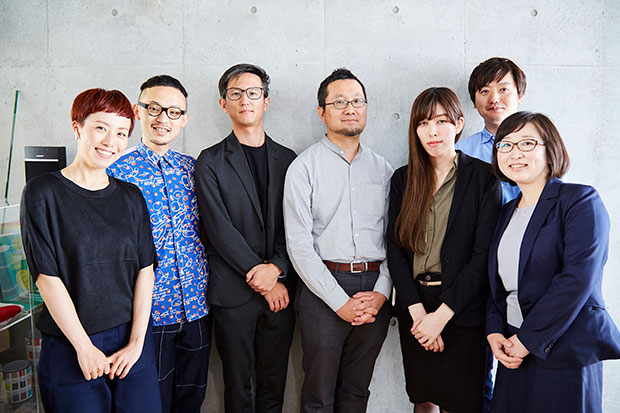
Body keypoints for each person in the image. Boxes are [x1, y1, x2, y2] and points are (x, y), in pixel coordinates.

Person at [20, 88, 161, 412]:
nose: (111, 141)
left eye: (121, 133)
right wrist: (83, 347)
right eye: (101, 127)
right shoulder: (43, 193)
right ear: (77, 127)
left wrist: (137, 343)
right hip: (71, 345)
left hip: (132, 344)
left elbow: (145, 269)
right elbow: (46, 277)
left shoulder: (131, 196)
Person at [486, 111, 620, 412]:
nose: (514, 153)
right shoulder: (505, 212)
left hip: (564, 352)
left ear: (551, 150)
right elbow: (496, 285)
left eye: (526, 143)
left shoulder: (579, 200)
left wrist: (527, 340)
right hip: (511, 351)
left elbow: (577, 279)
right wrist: (494, 332)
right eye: (505, 145)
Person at [284, 68, 393, 412]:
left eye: (357, 101)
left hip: (374, 288)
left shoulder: (383, 169)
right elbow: (299, 245)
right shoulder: (303, 167)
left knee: (357, 391)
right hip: (322, 288)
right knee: (318, 395)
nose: (350, 109)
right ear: (322, 112)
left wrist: (381, 292)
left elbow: (396, 238)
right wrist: (338, 302)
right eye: (340, 102)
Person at [387, 87, 502, 413]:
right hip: (415, 307)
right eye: (423, 123)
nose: (432, 131)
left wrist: (440, 317)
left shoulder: (484, 178)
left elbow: (483, 255)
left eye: (441, 121)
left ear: (459, 124)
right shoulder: (403, 179)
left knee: (460, 402)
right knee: (423, 399)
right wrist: (419, 315)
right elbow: (395, 249)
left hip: (462, 310)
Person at [195, 63, 296, 413]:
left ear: (265, 101)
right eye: (236, 94)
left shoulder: (288, 159)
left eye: (253, 93)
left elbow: (296, 225)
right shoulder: (210, 161)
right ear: (224, 104)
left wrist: (277, 269)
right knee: (237, 387)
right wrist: (263, 278)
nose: (245, 100)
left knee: (274, 384)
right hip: (233, 292)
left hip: (281, 291)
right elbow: (218, 229)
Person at [107, 75, 210, 413]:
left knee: (192, 398)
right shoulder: (116, 172)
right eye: (154, 108)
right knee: (153, 402)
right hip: (148, 314)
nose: (163, 118)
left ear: (184, 119)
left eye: (173, 112)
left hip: (196, 305)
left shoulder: (193, 169)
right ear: (138, 111)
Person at [456, 57, 526, 204]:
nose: (494, 99)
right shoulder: (460, 151)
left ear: (520, 96)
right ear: (474, 102)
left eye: (503, 89)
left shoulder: (539, 147)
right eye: (485, 91)